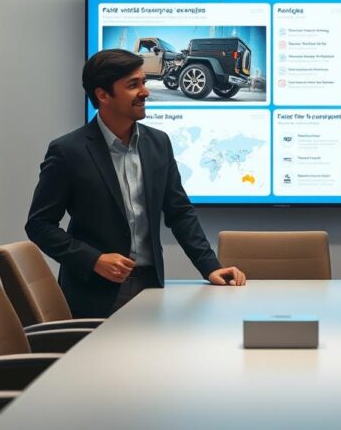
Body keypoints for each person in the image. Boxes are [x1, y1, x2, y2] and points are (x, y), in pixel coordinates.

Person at [26, 49, 246, 318]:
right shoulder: (68, 151)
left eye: (143, 82)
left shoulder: (159, 144)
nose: (145, 92)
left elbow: (179, 212)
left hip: (150, 286)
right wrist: (92, 259)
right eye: (133, 85)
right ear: (103, 95)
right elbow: (39, 225)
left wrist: (209, 266)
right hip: (93, 294)